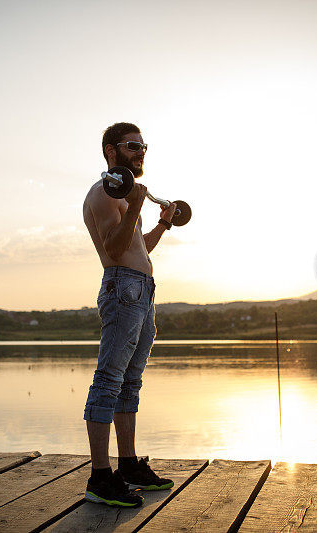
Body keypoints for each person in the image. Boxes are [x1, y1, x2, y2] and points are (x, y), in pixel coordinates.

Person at [81, 122, 177, 507]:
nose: (141, 153)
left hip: (141, 289)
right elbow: (116, 251)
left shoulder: (126, 195)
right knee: (108, 380)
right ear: (111, 151)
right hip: (122, 286)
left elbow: (139, 248)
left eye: (144, 146)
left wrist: (163, 224)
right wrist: (136, 202)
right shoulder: (106, 192)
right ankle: (100, 477)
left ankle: (129, 465)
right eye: (133, 146)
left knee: (130, 383)